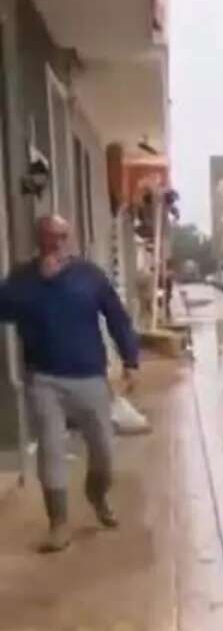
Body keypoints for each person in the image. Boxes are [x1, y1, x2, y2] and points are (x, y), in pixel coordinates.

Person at [0, 215, 140, 553]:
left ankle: (97, 494)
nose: (57, 242)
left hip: (90, 377)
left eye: (62, 236)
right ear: (39, 238)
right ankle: (58, 523)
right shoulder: (22, 279)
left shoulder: (89, 276)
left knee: (104, 450)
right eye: (50, 236)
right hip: (43, 379)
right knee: (50, 449)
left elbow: (117, 316)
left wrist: (131, 360)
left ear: (70, 238)